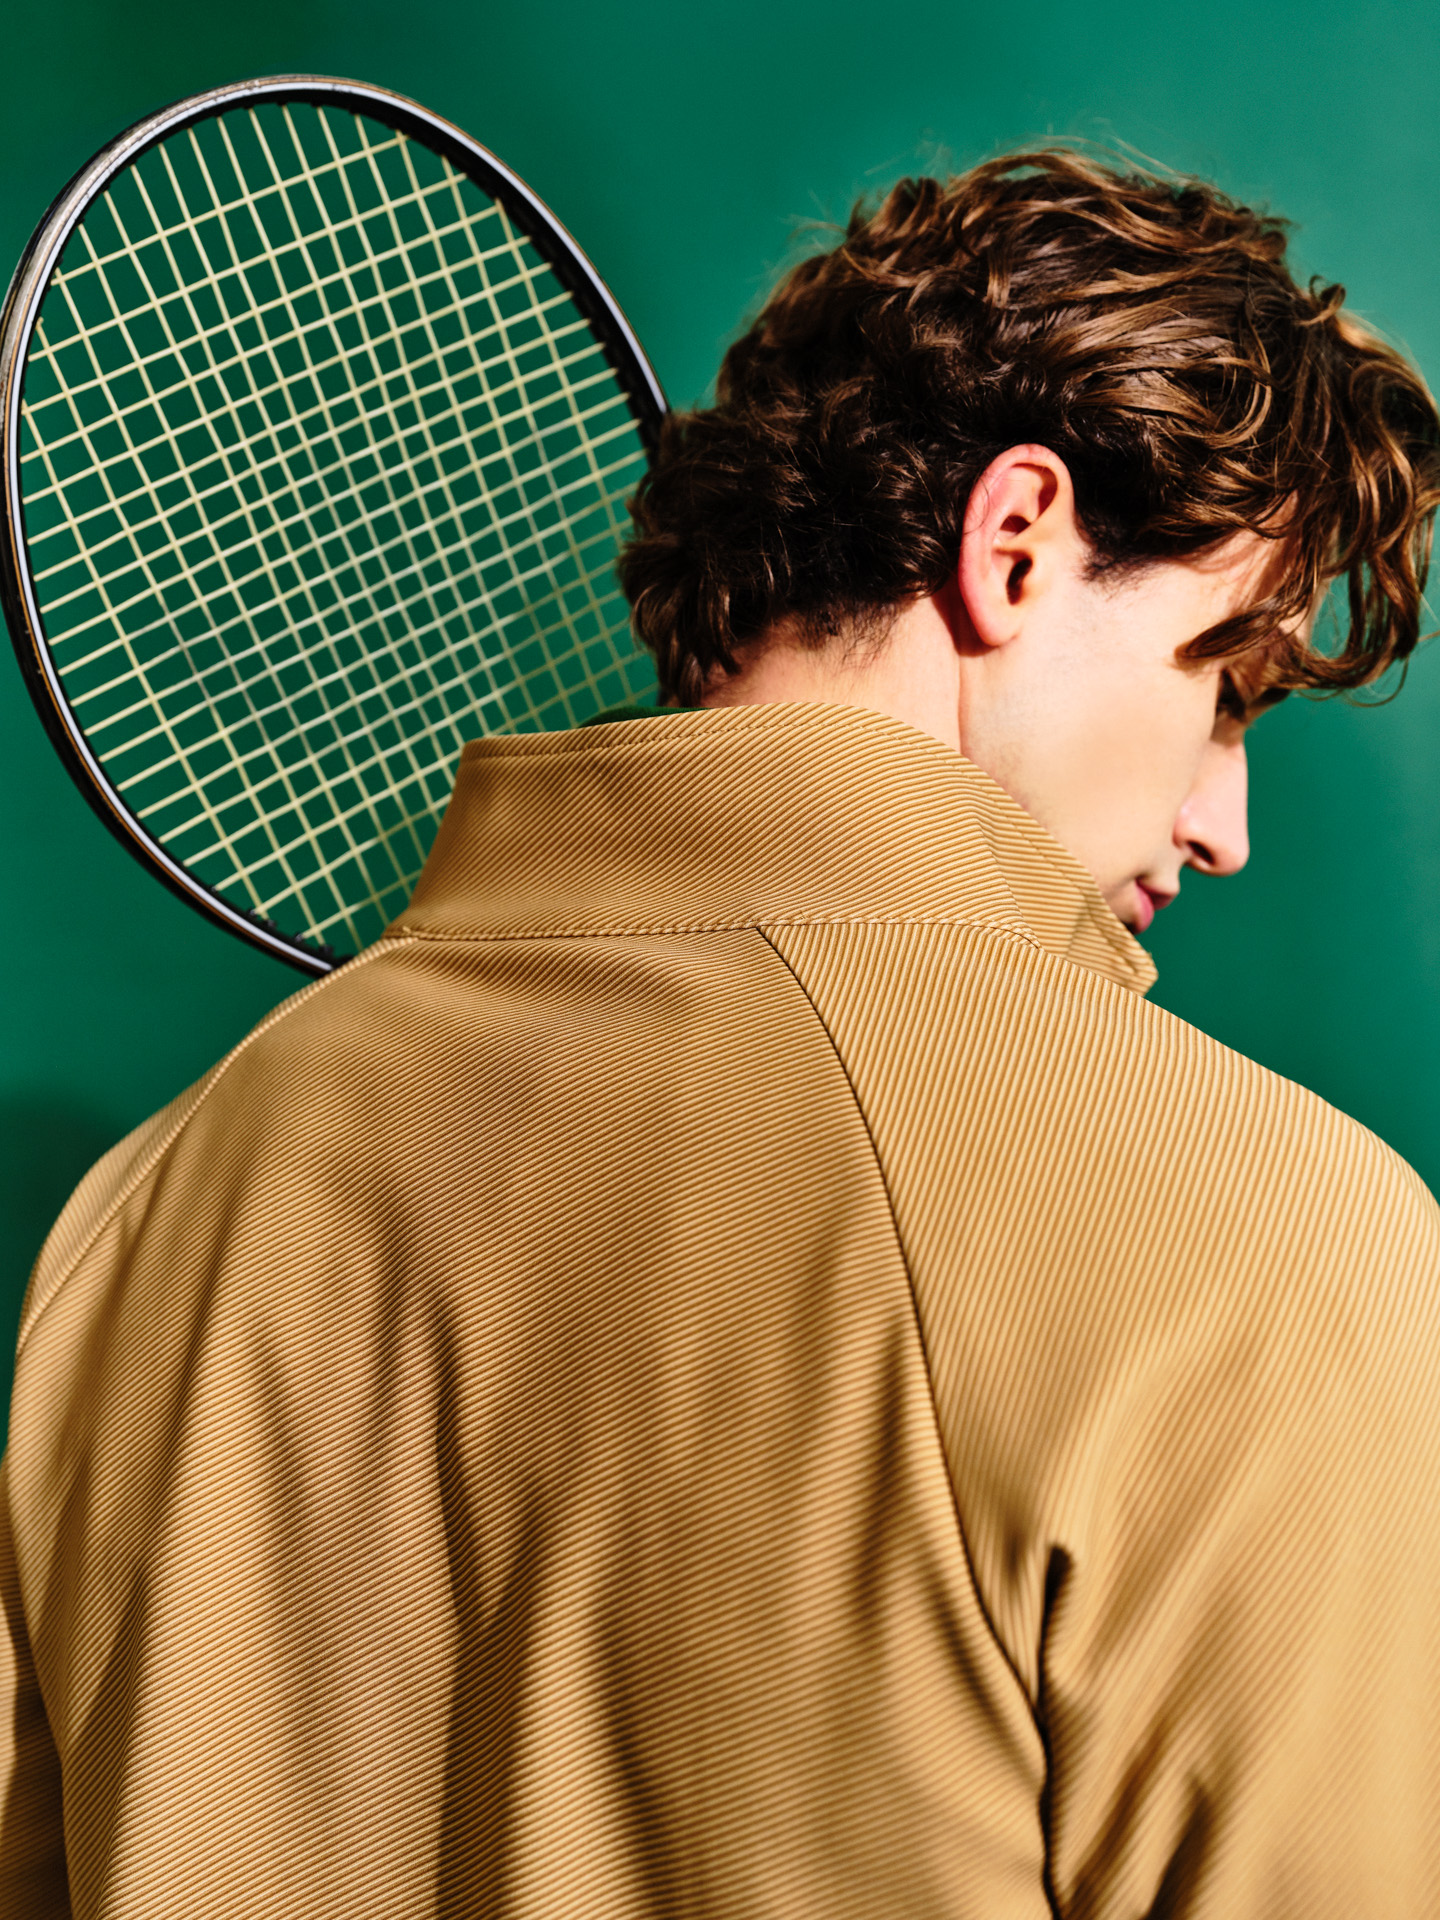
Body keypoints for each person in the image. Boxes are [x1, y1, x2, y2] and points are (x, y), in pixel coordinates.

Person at [2, 148, 1438, 1917]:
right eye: (1228, 684)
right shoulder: (1278, 1252)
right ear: (1015, 543)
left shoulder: (141, 1222)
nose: (1228, 823)